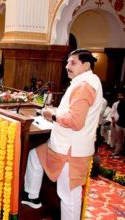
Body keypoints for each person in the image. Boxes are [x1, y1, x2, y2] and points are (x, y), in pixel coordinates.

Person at [22, 49, 103, 220]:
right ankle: (32, 196)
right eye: (67, 62)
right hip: (63, 145)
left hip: (70, 151)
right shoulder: (86, 81)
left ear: (86, 65)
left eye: (73, 62)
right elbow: (76, 112)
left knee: (69, 195)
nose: (67, 66)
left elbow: (75, 121)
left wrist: (51, 115)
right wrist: (56, 111)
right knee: (35, 155)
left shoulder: (84, 86)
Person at [109, 89, 125, 159]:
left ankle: (121, 153)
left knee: (120, 140)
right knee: (118, 139)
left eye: (121, 96)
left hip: (121, 123)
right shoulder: (119, 103)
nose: (120, 97)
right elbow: (118, 112)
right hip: (119, 123)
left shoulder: (120, 103)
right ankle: (117, 152)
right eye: (119, 96)